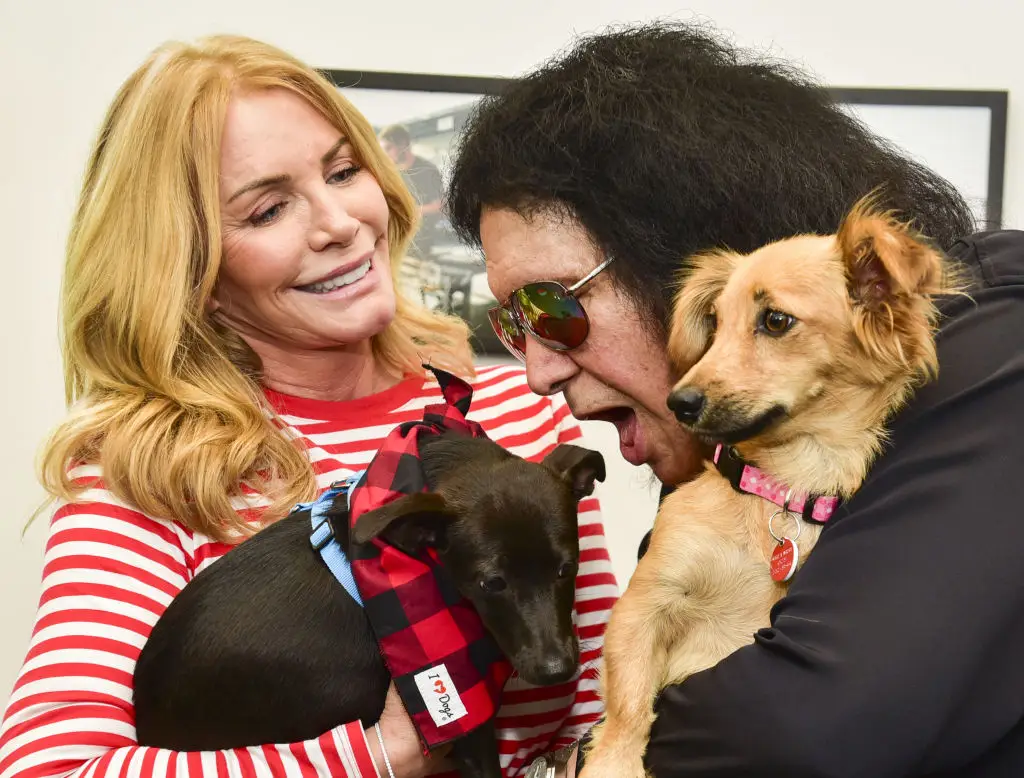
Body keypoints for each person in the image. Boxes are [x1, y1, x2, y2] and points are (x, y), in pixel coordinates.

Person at [0, 35, 617, 778]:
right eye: (268, 211)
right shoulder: (145, 475)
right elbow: (49, 768)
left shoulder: (517, 412)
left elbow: (598, 717)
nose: (339, 223)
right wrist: (383, 754)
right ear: (190, 267)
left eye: (343, 171)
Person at [445, 21, 1024, 778]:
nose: (537, 372)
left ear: (682, 256)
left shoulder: (994, 357)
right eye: (514, 323)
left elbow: (799, 728)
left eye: (552, 307)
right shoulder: (729, 456)